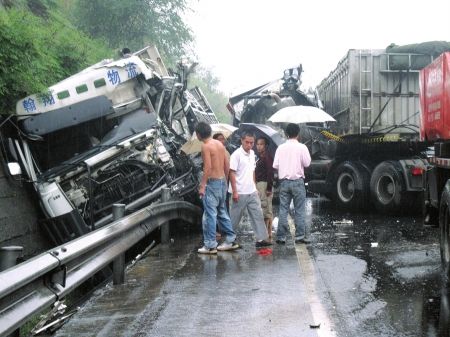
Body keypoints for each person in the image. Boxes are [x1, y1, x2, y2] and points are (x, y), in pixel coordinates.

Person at [195, 122, 239, 254]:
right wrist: (225, 181)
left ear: (198, 134)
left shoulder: (206, 146)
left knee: (210, 214)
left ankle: (210, 245)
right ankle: (230, 239)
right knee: (222, 212)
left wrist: (203, 185)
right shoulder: (220, 144)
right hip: (221, 181)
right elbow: (227, 165)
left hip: (212, 182)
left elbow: (207, 168)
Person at [229, 131, 272, 248]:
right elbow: (231, 173)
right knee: (234, 217)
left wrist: (254, 186)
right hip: (240, 191)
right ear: (242, 141)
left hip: (251, 191)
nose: (249, 145)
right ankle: (229, 240)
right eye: (247, 142)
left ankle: (262, 238)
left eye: (251, 143)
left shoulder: (252, 153)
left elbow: (252, 170)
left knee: (257, 214)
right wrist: (235, 191)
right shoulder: (236, 155)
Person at [273, 123, 311, 244]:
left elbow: (275, 165)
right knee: (299, 210)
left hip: (284, 182)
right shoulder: (302, 147)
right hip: (298, 182)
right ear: (298, 134)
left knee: (283, 209)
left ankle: (281, 237)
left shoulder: (280, 148)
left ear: (286, 134)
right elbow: (307, 163)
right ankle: (300, 237)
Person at [255, 137, 274, 240]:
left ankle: (266, 234)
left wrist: (269, 188)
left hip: (264, 184)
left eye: (261, 144)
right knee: (268, 209)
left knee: (265, 209)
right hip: (260, 184)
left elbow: (271, 172)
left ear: (265, 145)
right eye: (257, 144)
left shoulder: (267, 157)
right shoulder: (260, 157)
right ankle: (269, 233)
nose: (259, 146)